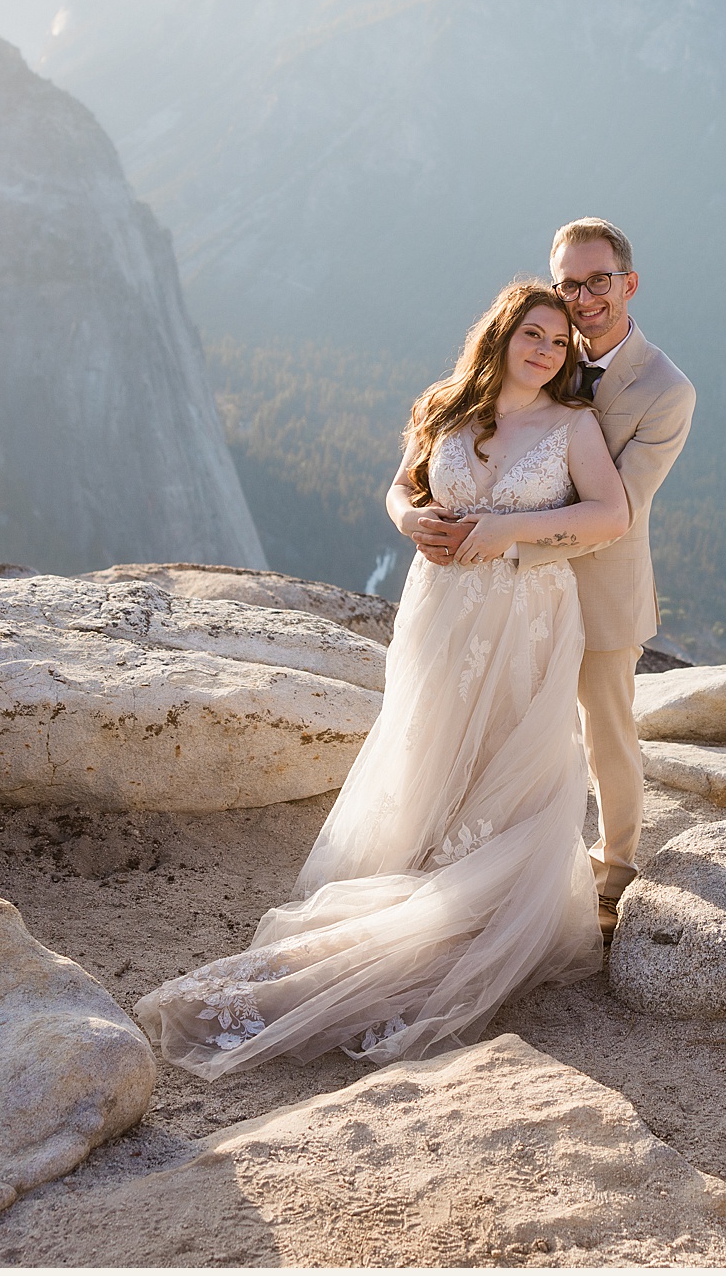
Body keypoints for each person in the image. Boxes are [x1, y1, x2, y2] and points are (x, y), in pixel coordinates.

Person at [136, 281, 630, 1078]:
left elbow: (612, 515)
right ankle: (417, 860)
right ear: (501, 335)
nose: (544, 350)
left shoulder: (573, 426)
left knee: (511, 750)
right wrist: (409, 519)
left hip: (525, 612)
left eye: (558, 342)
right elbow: (401, 486)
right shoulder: (445, 405)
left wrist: (508, 528)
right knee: (427, 736)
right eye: (532, 333)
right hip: (439, 606)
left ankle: (471, 889)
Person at [405, 219, 695, 938]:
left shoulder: (666, 389)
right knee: (511, 732)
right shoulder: (545, 350)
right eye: (569, 281)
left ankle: (614, 872)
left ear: (628, 283)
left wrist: (503, 538)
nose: (583, 294)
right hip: (499, 591)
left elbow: (618, 510)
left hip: (594, 584)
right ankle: (506, 864)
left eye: (599, 280)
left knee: (604, 735)